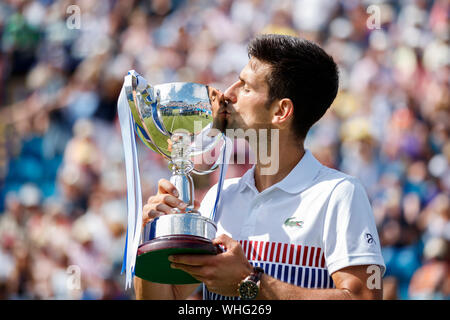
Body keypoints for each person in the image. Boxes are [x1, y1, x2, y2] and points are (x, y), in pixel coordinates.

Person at [134, 34, 385, 300]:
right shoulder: (220, 197)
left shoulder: (339, 194)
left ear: (281, 112)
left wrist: (251, 282)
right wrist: (150, 240)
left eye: (245, 87)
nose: (227, 95)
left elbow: (365, 298)